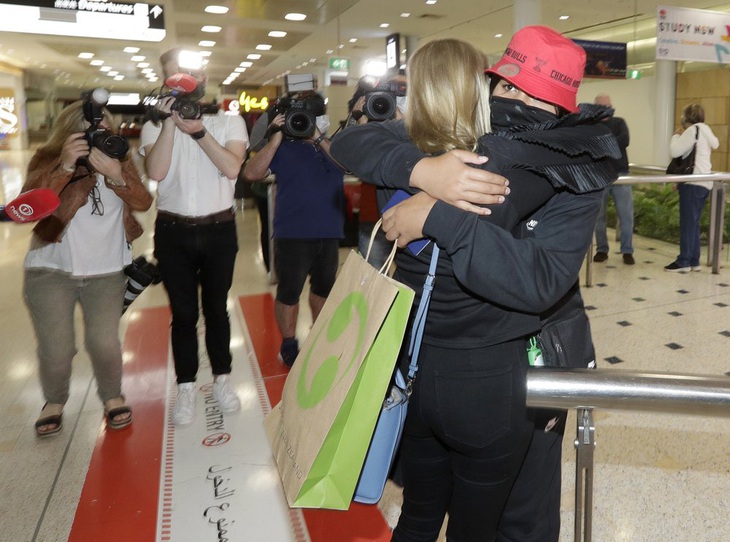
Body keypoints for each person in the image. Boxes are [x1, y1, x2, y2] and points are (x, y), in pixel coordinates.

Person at [331, 27, 619, 542]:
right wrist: (424, 170)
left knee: (494, 519)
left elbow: (542, 279)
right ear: (490, 86)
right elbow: (352, 140)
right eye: (510, 88)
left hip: (512, 365)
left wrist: (438, 214)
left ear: (563, 108)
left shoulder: (574, 167)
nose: (518, 102)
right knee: (447, 519)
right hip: (441, 374)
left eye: (537, 96)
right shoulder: (458, 143)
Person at [23, 99, 153, 436]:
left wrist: (117, 175)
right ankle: (54, 401)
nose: (97, 136)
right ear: (68, 134)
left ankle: (112, 397)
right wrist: (65, 167)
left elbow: (142, 202)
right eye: (87, 131)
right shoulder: (47, 158)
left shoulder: (119, 157)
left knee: (104, 343)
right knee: (57, 348)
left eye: (103, 129)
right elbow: (30, 207)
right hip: (51, 268)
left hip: (107, 269)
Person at [140, 48, 249, 426]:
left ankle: (222, 378)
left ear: (202, 76)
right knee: (183, 315)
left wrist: (198, 130)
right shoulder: (153, 124)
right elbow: (156, 171)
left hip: (219, 229)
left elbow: (232, 168)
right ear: (164, 80)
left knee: (216, 309)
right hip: (173, 231)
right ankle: (185, 385)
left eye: (189, 73)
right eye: (174, 75)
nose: (182, 80)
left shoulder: (229, 121)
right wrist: (171, 122)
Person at [242, 92, 345, 368]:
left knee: (323, 289)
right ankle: (288, 342)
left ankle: (320, 335)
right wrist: (275, 138)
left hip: (329, 231)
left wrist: (317, 138)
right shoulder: (282, 147)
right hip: (292, 233)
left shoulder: (331, 144)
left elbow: (346, 164)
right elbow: (251, 173)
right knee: (289, 291)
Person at [664, 102, 719, 272]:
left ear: (686, 117)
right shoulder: (706, 130)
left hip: (692, 183)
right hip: (704, 182)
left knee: (688, 223)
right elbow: (715, 144)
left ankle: (684, 261)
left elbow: (675, 151)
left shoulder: (692, 130)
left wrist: (675, 136)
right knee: (693, 222)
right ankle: (694, 260)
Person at [592, 93, 635, 265]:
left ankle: (627, 250)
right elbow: (590, 146)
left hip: (621, 175)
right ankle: (601, 249)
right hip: (599, 177)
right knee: (598, 217)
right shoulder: (591, 126)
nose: (605, 108)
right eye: (601, 106)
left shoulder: (619, 122)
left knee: (626, 216)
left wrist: (602, 144)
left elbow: (624, 140)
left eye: (607, 105)